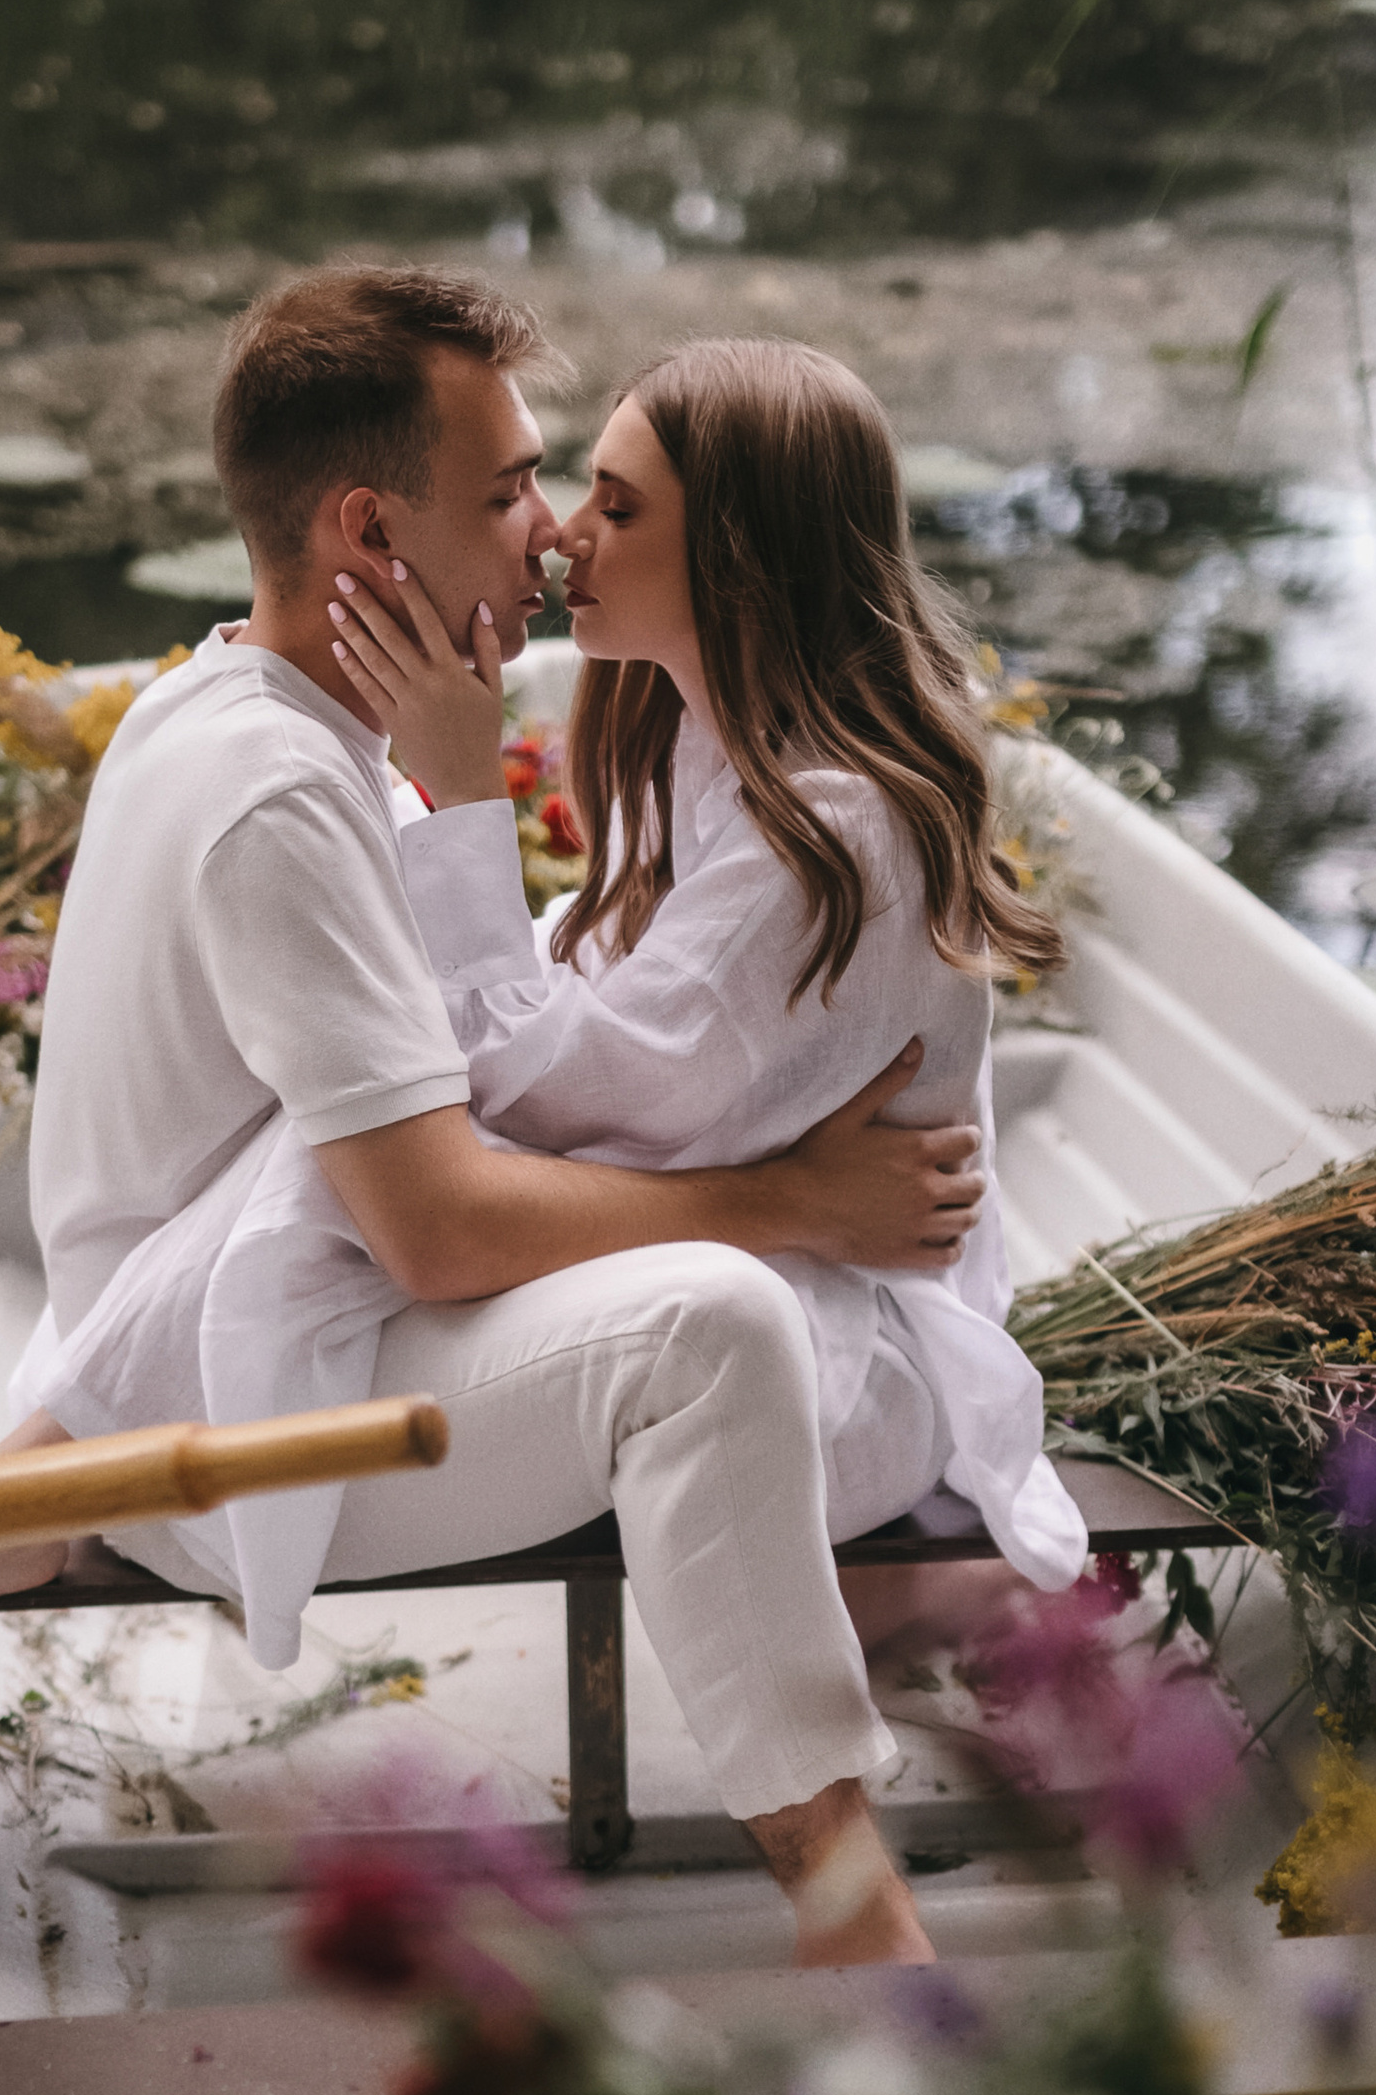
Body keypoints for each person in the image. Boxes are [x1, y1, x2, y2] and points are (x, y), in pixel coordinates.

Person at [0, 268, 988, 1964]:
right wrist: (791, 1202)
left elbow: (520, 1120)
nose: (550, 536)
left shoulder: (241, 703)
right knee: (679, 1310)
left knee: (471, 1182)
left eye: (577, 496)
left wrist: (454, 799)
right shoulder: (285, 789)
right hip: (228, 1420)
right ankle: (43, 1488)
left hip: (249, 1338)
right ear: (368, 527)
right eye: (508, 493)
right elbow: (447, 1218)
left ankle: (24, 1483)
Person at [323, 337, 1087, 1663]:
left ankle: (911, 1596)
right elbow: (585, 983)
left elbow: (565, 1105)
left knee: (368, 1208)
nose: (564, 538)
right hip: (769, 1268)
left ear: (743, 558)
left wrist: (454, 801)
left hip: (835, 1369)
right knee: (345, 1179)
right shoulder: (706, 734)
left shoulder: (832, 832)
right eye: (581, 495)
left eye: (619, 509)